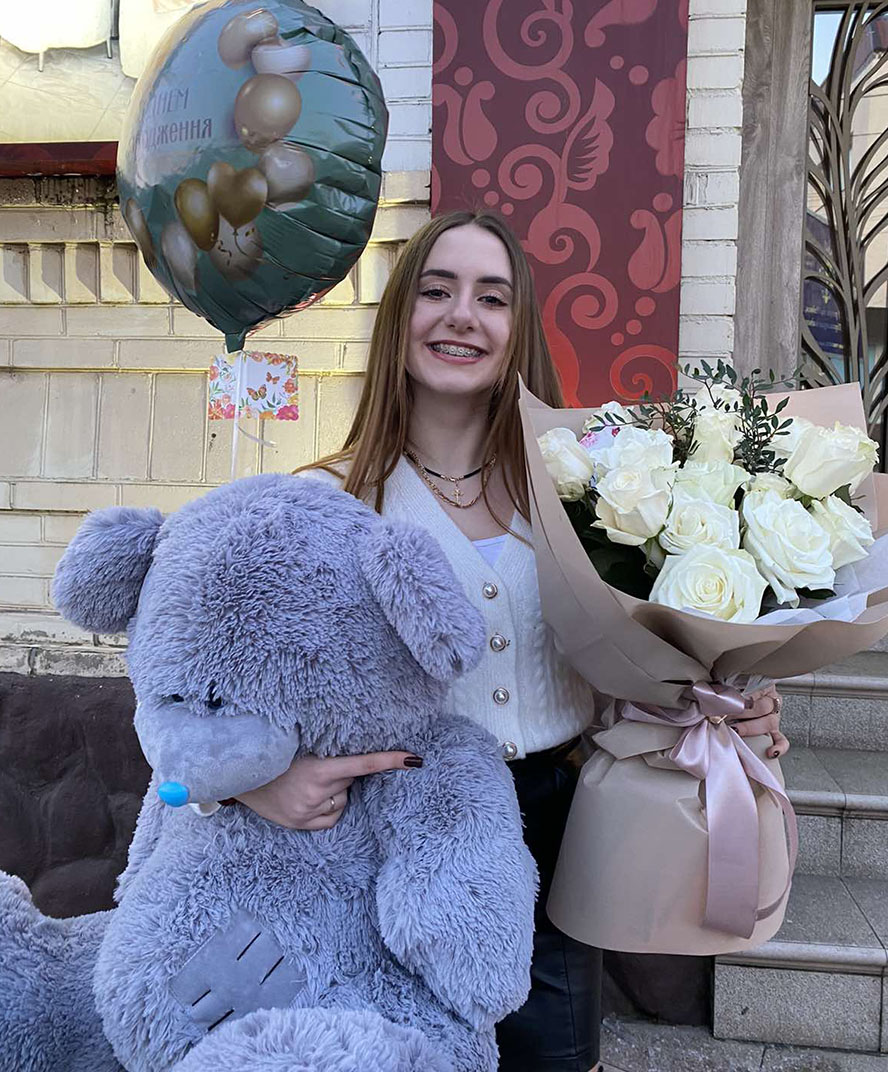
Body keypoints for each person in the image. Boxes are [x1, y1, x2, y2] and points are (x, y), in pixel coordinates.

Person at [233, 210, 789, 1071]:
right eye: (437, 290)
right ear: (400, 316)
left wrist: (722, 712)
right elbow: (209, 695)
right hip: (384, 841)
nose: (462, 315)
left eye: (492, 298)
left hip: (557, 837)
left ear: (517, 328)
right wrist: (258, 784)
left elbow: (633, 682)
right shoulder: (325, 503)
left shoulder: (585, 502)